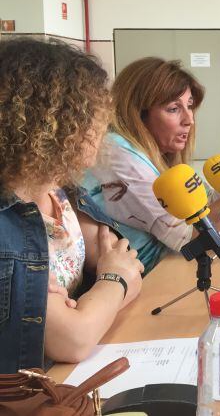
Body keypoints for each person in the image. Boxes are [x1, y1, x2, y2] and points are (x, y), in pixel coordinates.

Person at [0, 38, 144, 370]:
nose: (101, 129)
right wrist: (113, 283)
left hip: (71, 376)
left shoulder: (62, 192)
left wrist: (99, 302)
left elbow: (130, 265)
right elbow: (74, 339)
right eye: (91, 115)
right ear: (50, 121)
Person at [83, 57, 220, 272]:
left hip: (164, 269)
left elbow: (201, 210)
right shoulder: (119, 154)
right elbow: (194, 237)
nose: (189, 119)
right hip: (148, 279)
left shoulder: (156, 154)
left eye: (189, 106)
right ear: (138, 114)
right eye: (173, 109)